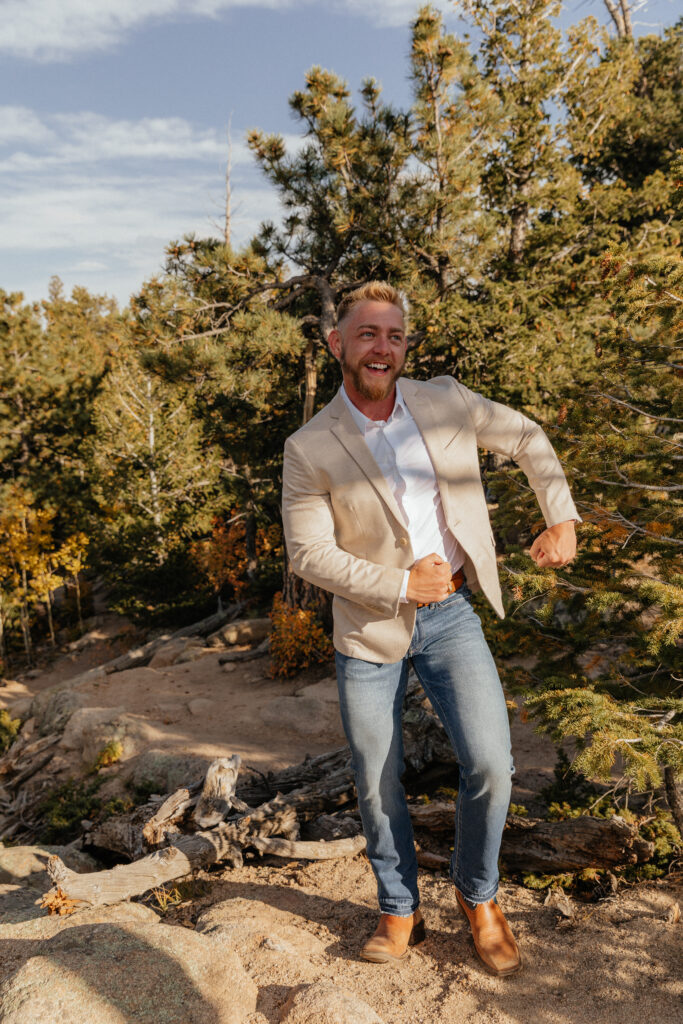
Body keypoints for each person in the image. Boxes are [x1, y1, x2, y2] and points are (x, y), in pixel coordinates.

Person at [281, 282, 579, 976]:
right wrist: (395, 584)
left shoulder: (444, 398)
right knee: (376, 776)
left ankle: (478, 898)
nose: (381, 347)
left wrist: (558, 514)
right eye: (366, 334)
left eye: (393, 335)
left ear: (403, 344)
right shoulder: (309, 445)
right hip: (367, 629)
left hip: (449, 618)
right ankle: (397, 907)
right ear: (337, 345)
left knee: (489, 765)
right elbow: (308, 554)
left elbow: (527, 438)